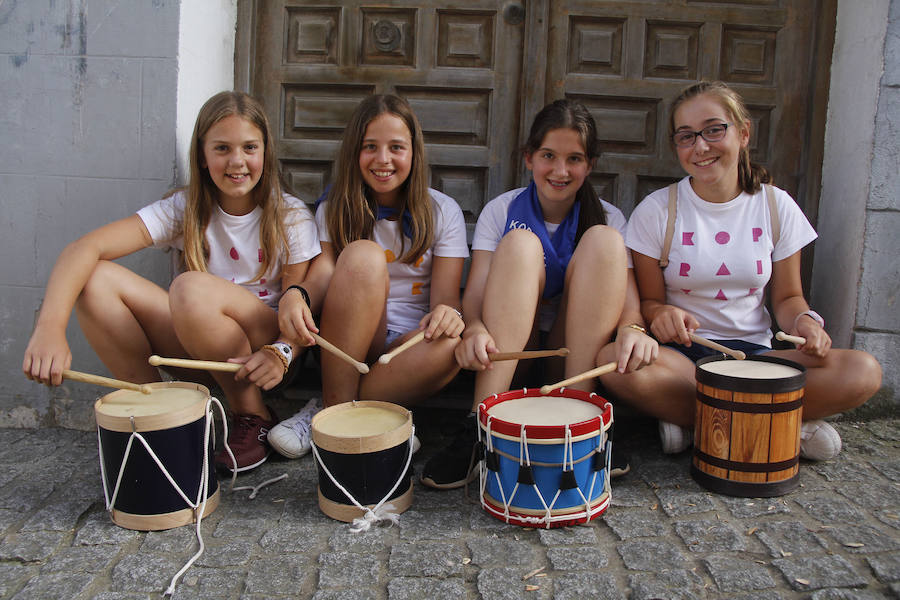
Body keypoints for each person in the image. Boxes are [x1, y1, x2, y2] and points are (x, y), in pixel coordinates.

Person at [22, 91, 323, 474]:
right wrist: (49, 327)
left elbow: (298, 308)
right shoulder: (185, 208)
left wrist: (281, 353)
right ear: (202, 155)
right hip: (198, 345)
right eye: (222, 148)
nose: (237, 161)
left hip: (268, 355)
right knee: (94, 278)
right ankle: (158, 416)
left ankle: (254, 416)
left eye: (250, 147)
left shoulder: (290, 216)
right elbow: (85, 247)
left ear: (265, 153)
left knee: (190, 288)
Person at [625, 80, 882, 459]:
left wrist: (806, 322)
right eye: (686, 136)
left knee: (863, 371)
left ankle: (700, 425)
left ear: (743, 133)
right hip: (682, 360)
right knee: (616, 364)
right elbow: (648, 301)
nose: (700, 146)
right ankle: (776, 426)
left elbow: (789, 298)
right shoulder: (657, 210)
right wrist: (661, 313)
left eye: (714, 129)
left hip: (758, 362)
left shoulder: (776, 206)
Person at [421, 98, 663, 490]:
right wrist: (476, 328)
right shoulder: (501, 211)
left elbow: (629, 303)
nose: (561, 171)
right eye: (549, 155)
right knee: (519, 243)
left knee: (604, 241)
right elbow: (477, 292)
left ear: (590, 164)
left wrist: (633, 329)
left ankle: (582, 426)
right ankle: (480, 426)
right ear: (529, 157)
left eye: (575, 159)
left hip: (570, 359)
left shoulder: (608, 216)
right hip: (511, 354)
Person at [265, 94, 469, 459]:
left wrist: (446, 315)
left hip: (407, 345)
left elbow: (446, 299)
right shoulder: (337, 205)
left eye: (396, 147)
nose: (383, 159)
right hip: (353, 333)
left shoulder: (443, 211)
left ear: (414, 153)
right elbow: (325, 269)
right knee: (363, 256)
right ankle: (346, 419)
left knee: (451, 345)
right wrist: (296, 293)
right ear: (354, 152)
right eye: (370, 147)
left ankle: (336, 412)